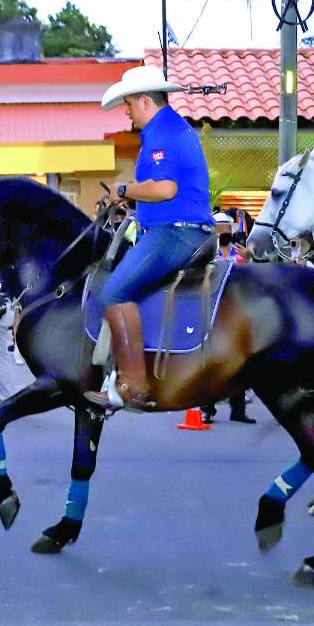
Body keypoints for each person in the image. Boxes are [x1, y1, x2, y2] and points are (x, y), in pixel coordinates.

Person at [83, 65, 213, 410]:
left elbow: (165, 189)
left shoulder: (161, 134)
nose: (126, 111)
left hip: (174, 233)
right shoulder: (170, 129)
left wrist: (124, 189)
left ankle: (132, 385)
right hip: (178, 228)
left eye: (128, 104)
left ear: (144, 100)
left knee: (113, 291)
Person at [200, 212, 255, 425]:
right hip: (213, 313)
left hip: (236, 313)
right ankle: (207, 409)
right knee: (212, 363)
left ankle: (238, 410)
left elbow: (249, 280)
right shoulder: (207, 252)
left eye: (226, 227)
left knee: (240, 363)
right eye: (219, 226)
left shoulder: (240, 253)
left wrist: (249, 260)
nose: (222, 230)